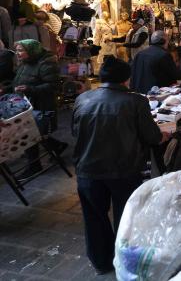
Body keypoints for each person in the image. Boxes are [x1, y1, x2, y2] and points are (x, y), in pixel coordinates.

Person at [72, 56, 165, 275]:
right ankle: (124, 261)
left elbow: (76, 133)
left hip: (88, 170)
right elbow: (151, 136)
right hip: (124, 169)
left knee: (93, 218)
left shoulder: (82, 99)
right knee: (127, 217)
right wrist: (163, 135)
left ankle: (101, 263)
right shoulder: (135, 101)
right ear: (126, 79)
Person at [7, 39, 67, 179]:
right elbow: (20, 81)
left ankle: (34, 165)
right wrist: (8, 88)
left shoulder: (46, 64)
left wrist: (31, 89)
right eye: (17, 50)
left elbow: (54, 86)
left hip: (41, 105)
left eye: (21, 50)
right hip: (26, 105)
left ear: (32, 51)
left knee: (28, 133)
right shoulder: (25, 63)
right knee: (33, 133)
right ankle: (56, 146)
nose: (18, 53)